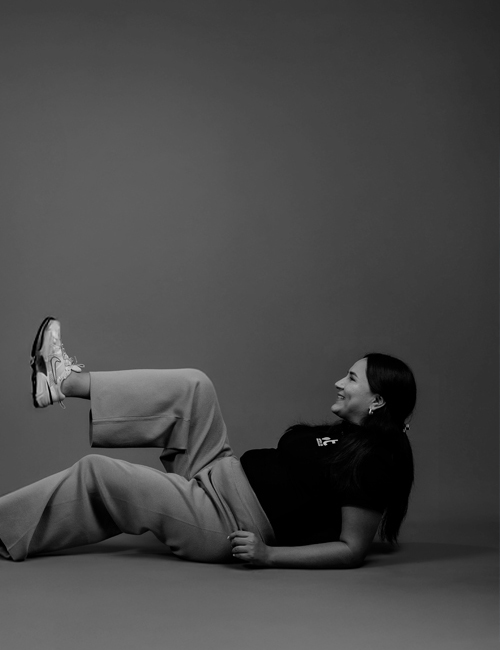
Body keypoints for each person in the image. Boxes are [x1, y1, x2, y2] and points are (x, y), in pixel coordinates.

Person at [0, 317, 416, 568]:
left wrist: (269, 556)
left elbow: (351, 548)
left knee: (99, 474)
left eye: (352, 378)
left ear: (378, 400)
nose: (340, 383)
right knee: (196, 386)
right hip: (221, 472)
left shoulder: (376, 458)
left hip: (224, 521)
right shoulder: (348, 434)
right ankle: (63, 383)